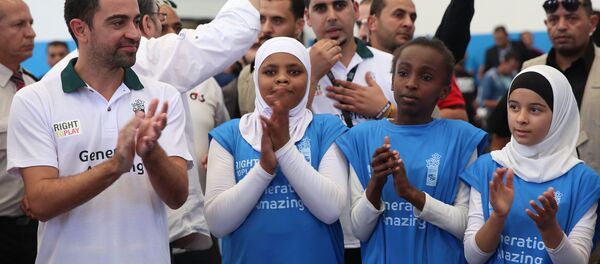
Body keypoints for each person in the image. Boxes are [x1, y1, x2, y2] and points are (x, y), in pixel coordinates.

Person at [7, 0, 191, 262]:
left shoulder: (162, 96)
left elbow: (177, 197)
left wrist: (151, 154)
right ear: (80, 29)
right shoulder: (35, 100)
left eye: (136, 21)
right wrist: (115, 165)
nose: (135, 33)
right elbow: (40, 203)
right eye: (118, 22)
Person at [336, 37, 488, 263]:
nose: (411, 83)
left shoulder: (462, 138)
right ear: (392, 80)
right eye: (403, 73)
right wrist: (376, 183)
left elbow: (466, 226)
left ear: (445, 91)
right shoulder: (362, 137)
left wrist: (412, 195)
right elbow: (359, 230)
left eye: (426, 77)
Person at [205, 37, 348, 263]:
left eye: (294, 71)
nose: (282, 78)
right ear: (255, 78)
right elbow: (218, 224)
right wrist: (263, 169)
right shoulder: (228, 135)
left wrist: (284, 149)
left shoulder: (328, 129)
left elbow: (331, 210)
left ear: (309, 77)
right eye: (270, 72)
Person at [462, 65, 600, 264]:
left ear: (560, 115)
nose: (521, 119)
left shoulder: (583, 181)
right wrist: (498, 217)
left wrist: (550, 230)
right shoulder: (489, 167)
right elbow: (473, 257)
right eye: (514, 106)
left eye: (535, 109)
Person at [488, 0, 600, 173]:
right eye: (554, 20)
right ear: (546, 24)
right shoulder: (530, 69)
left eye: (571, 18)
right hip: (536, 191)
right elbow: (500, 131)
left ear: (592, 23)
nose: (561, 26)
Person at [366, 0, 475, 121]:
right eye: (398, 15)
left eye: (413, 18)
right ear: (372, 23)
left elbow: (459, 117)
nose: (409, 23)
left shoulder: (432, 66)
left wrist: (387, 110)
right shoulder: (351, 64)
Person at [0, 0, 37, 263]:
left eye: (31, 23)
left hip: (37, 227)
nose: (31, 33)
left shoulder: (35, 86)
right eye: (19, 25)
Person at [237, 0, 306, 116]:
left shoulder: (316, 69)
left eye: (277, 20)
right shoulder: (246, 75)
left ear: (298, 26)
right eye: (261, 19)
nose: (265, 29)